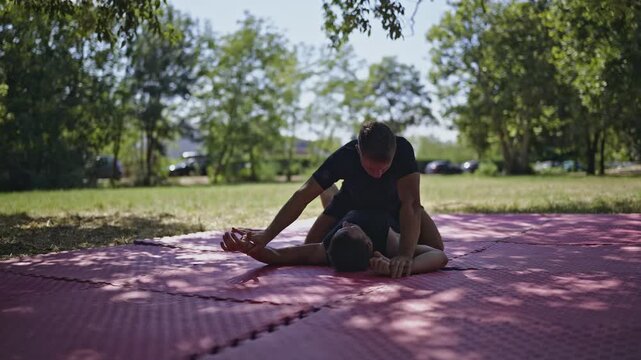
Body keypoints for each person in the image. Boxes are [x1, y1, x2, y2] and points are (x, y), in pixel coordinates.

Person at [229, 121, 443, 278]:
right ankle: (328, 192)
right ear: (359, 151)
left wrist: (405, 256)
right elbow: (302, 195)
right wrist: (266, 235)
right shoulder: (345, 157)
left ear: (393, 153)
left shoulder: (402, 150)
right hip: (350, 204)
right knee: (311, 244)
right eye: (371, 167)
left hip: (393, 205)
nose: (377, 174)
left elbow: (412, 205)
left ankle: (329, 192)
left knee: (435, 245)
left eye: (384, 168)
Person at [221, 209, 448, 276]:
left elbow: (279, 256)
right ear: (369, 243)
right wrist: (398, 266)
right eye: (350, 229)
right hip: (382, 213)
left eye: (346, 228)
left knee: (411, 205)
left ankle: (329, 190)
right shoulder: (388, 243)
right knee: (432, 236)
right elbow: (439, 255)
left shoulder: (325, 250)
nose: (346, 226)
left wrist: (246, 248)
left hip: (350, 207)